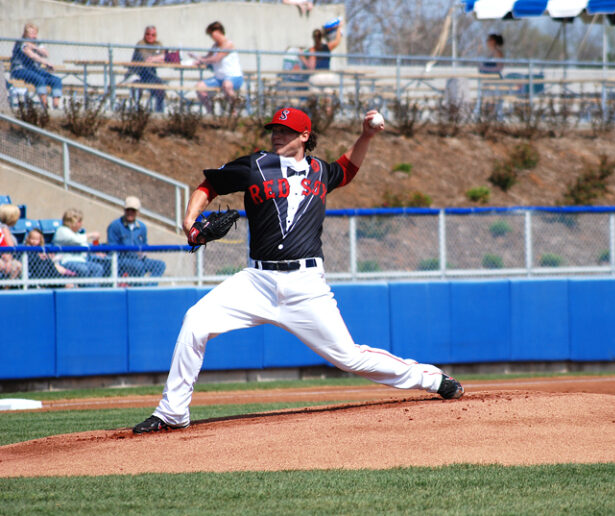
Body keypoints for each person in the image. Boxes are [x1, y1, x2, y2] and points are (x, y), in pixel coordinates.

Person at [133, 107, 464, 433]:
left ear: (305, 136)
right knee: (196, 320)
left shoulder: (320, 171)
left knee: (349, 357)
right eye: (274, 129)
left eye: (286, 130)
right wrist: (190, 222)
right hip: (257, 281)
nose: (277, 135)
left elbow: (346, 169)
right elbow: (209, 185)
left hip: (306, 284)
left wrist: (365, 136)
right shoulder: (254, 165)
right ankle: (172, 412)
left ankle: (432, 379)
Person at [107, 196, 166, 281]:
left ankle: (148, 288)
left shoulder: (141, 227)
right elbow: (112, 246)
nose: (130, 213)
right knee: (138, 266)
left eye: (133, 211)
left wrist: (142, 252)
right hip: (122, 260)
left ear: (138, 212)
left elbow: (145, 244)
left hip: (139, 259)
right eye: (128, 210)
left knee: (160, 265)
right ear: (124, 210)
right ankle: (139, 288)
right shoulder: (115, 225)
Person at [10, 23, 62, 109]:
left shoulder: (36, 43)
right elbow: (32, 56)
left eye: (35, 33)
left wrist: (35, 47)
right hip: (20, 70)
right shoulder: (21, 42)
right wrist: (46, 63)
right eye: (31, 33)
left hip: (34, 70)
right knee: (39, 79)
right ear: (25, 33)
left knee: (56, 80)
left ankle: (56, 106)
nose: (34, 36)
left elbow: (45, 54)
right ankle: (45, 106)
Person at [194, 21, 243, 113]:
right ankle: (210, 112)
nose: (211, 38)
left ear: (217, 32)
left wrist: (203, 60)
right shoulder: (215, 46)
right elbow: (208, 57)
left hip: (233, 77)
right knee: (199, 86)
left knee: (227, 85)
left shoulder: (228, 44)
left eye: (211, 35)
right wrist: (197, 59)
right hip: (218, 78)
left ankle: (234, 112)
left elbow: (216, 58)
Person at [52, 208, 104, 279]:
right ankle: (83, 289)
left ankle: (94, 289)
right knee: (83, 269)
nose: (81, 224)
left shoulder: (78, 233)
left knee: (98, 268)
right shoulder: (62, 231)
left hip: (81, 260)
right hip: (65, 261)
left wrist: (96, 251)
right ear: (72, 221)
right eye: (79, 221)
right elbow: (76, 240)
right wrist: (91, 235)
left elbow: (85, 245)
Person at [125, 25, 166, 112]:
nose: (150, 37)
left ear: (156, 36)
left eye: (153, 35)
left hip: (150, 74)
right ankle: (136, 111)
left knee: (160, 87)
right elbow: (146, 58)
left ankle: (159, 111)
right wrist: (157, 58)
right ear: (144, 35)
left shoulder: (158, 44)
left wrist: (155, 59)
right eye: (148, 34)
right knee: (137, 89)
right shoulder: (141, 43)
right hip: (136, 73)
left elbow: (165, 56)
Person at [0, 204, 22, 281]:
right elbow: (9, 247)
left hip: (8, 258)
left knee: (18, 265)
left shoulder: (6, 228)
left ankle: (7, 288)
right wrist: (8, 261)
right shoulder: (3, 228)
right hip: (3, 258)